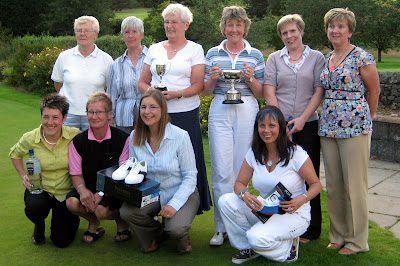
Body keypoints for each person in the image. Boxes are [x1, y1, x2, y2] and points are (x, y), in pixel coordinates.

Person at [219, 106, 322, 264]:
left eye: (272, 125)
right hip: (266, 208)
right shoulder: (254, 153)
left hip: (293, 213)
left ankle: (287, 249)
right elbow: (239, 183)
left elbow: (316, 184)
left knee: (256, 237)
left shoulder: (296, 153)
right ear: (257, 128)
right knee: (225, 201)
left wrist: (302, 199)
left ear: (281, 128)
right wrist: (244, 195)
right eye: (262, 125)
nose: (266, 130)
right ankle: (248, 247)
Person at [138, 3, 211, 215]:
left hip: (185, 113)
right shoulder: (154, 49)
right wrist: (153, 93)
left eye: (174, 22)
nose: (169, 26)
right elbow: (142, 82)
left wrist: (177, 94)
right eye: (166, 22)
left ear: (186, 25)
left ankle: (186, 212)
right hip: (154, 114)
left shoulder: (195, 49)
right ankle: (152, 209)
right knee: (154, 160)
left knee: (187, 163)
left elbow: (199, 85)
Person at [319, 8, 380, 255]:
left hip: (355, 127)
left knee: (355, 186)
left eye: (340, 26)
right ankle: (338, 236)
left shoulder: (362, 57)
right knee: (333, 185)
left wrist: (368, 118)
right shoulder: (327, 57)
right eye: (331, 26)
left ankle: (357, 241)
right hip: (328, 127)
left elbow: (374, 91)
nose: (335, 30)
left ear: (350, 30)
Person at [202, 6, 265, 246]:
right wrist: (213, 78)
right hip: (220, 108)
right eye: (230, 25)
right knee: (220, 171)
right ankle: (221, 227)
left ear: (245, 27)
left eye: (238, 25)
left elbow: (260, 93)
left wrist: (250, 78)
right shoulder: (213, 52)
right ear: (224, 27)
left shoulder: (255, 54)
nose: (234, 29)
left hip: (247, 108)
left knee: (242, 169)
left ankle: (240, 223)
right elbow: (206, 91)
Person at [264, 14, 325, 243]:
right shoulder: (274, 59)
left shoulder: (317, 57)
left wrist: (302, 119)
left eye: (292, 31)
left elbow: (319, 90)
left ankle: (311, 229)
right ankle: (278, 222)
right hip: (279, 128)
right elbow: (270, 91)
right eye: (284, 33)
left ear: (301, 31)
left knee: (310, 177)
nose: (289, 36)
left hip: (307, 125)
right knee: (280, 177)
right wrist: (279, 124)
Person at [120, 90, 199, 254]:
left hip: (181, 191)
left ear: (163, 110)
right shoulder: (135, 135)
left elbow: (190, 177)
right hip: (152, 193)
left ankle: (180, 236)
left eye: (153, 107)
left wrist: (173, 204)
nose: (147, 112)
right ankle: (157, 232)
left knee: (177, 229)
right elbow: (135, 169)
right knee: (127, 212)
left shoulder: (180, 136)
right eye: (143, 107)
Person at [9, 94, 80, 247]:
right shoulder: (29, 138)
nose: (50, 122)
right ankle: (39, 224)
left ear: (64, 118)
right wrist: (23, 175)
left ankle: (71, 218)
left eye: (55, 117)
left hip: (65, 193)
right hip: (40, 189)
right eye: (45, 117)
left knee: (61, 241)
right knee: (35, 208)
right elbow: (14, 154)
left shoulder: (75, 136)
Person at [65, 92, 131, 243]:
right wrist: (82, 190)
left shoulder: (122, 139)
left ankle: (121, 221)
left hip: (113, 189)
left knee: (102, 210)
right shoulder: (78, 142)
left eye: (99, 112)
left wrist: (101, 193)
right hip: (88, 186)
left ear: (109, 114)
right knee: (71, 202)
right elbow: (76, 173)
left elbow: (122, 174)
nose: (94, 117)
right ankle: (93, 222)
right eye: (90, 112)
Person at [51, 15, 114, 131]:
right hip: (68, 115)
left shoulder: (106, 59)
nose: (82, 34)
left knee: (93, 148)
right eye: (79, 30)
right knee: (67, 148)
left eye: (86, 31)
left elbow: (111, 88)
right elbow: (58, 83)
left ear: (95, 34)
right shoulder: (64, 57)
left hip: (95, 116)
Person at [107, 16, 148, 134]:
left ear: (142, 34)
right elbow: (111, 95)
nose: (130, 36)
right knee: (124, 152)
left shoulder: (152, 58)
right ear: (122, 36)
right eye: (126, 32)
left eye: (134, 32)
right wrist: (110, 119)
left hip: (148, 117)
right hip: (123, 119)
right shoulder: (116, 64)